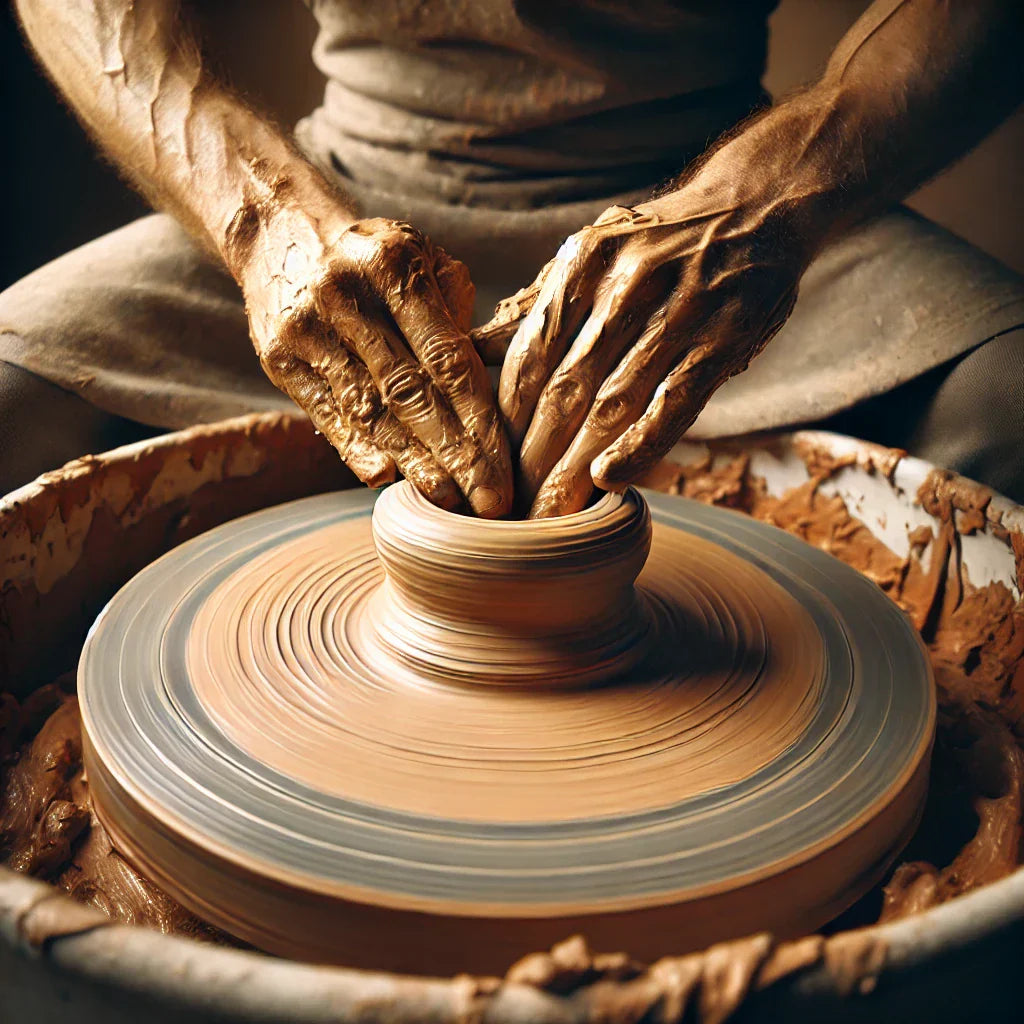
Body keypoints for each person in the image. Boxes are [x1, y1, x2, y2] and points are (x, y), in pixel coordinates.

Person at [3, 0, 1023, 513]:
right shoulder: (278, 220)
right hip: (338, 205)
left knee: (1008, 401)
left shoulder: (744, 210)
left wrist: (763, 204)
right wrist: (259, 219)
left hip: (717, 205)